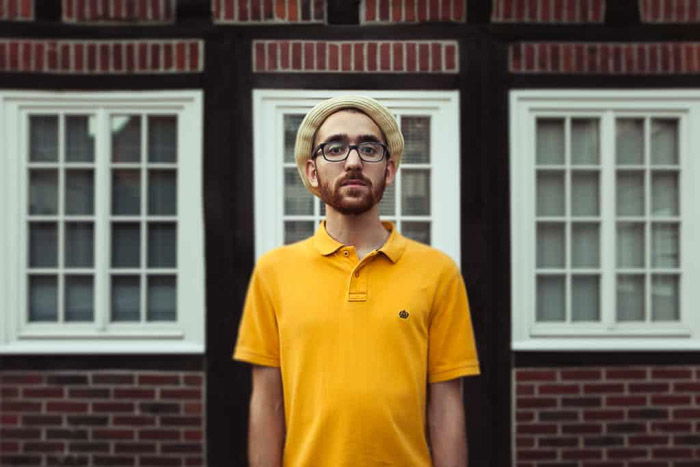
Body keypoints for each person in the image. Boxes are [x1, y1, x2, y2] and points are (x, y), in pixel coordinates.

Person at [233, 95, 480, 466]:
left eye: (369, 148)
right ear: (313, 171)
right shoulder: (274, 272)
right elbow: (267, 403)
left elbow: (446, 404)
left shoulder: (438, 273)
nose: (353, 161)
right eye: (335, 148)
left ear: (389, 170)